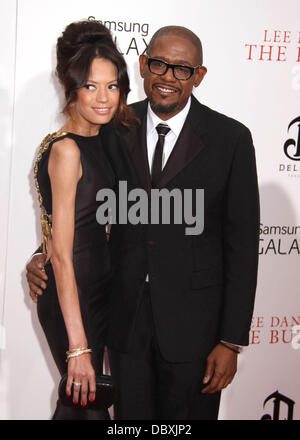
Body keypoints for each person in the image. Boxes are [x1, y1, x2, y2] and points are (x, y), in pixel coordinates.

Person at [27, 25, 260, 420]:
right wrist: (44, 254)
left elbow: (242, 247)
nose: (168, 77)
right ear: (142, 65)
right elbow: (85, 203)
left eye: (182, 69)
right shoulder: (115, 126)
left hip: (196, 328)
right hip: (124, 318)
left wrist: (231, 340)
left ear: (199, 76)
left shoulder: (231, 139)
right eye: (159, 64)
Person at [30, 19, 133, 420]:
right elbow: (63, 254)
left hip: (98, 292)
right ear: (71, 86)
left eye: (112, 86)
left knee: (81, 406)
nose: (104, 98)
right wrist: (78, 346)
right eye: (91, 86)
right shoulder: (68, 150)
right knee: (86, 404)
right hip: (72, 297)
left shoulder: (102, 137)